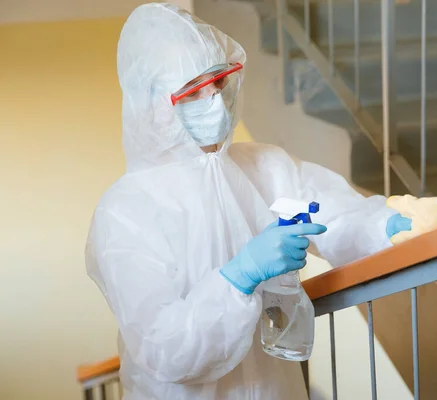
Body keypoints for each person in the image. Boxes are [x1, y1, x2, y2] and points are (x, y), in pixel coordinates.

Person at [85, 3, 412, 399]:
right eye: (194, 90)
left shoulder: (263, 165)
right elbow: (164, 347)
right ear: (153, 104)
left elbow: (334, 214)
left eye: (219, 82)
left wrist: (386, 227)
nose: (214, 99)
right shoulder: (124, 212)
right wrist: (239, 277)